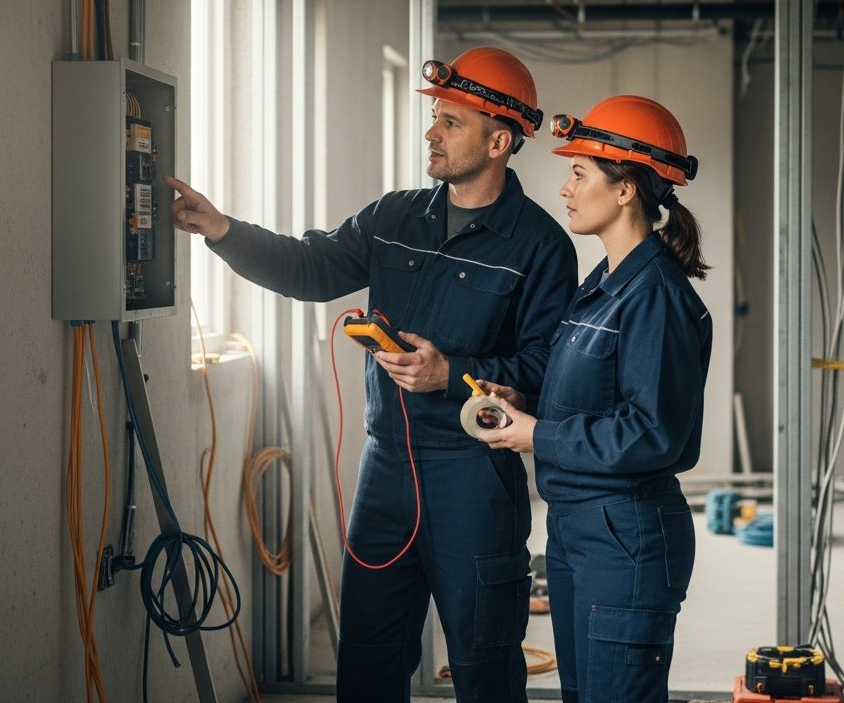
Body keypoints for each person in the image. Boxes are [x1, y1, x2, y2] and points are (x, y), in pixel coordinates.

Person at [166, 47, 577, 703]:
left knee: (484, 663)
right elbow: (310, 266)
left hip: (474, 477)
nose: (431, 132)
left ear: (500, 141)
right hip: (386, 472)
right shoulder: (395, 218)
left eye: (451, 122)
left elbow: (546, 371)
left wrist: (453, 373)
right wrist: (221, 230)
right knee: (368, 656)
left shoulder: (540, 246)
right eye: (435, 117)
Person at [476, 95, 713, 703]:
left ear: (627, 189)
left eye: (580, 173)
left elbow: (651, 432)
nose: (566, 189)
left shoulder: (654, 295)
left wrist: (538, 435)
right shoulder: (604, 284)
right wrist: (520, 396)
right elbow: (593, 391)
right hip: (579, 526)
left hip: (626, 532)